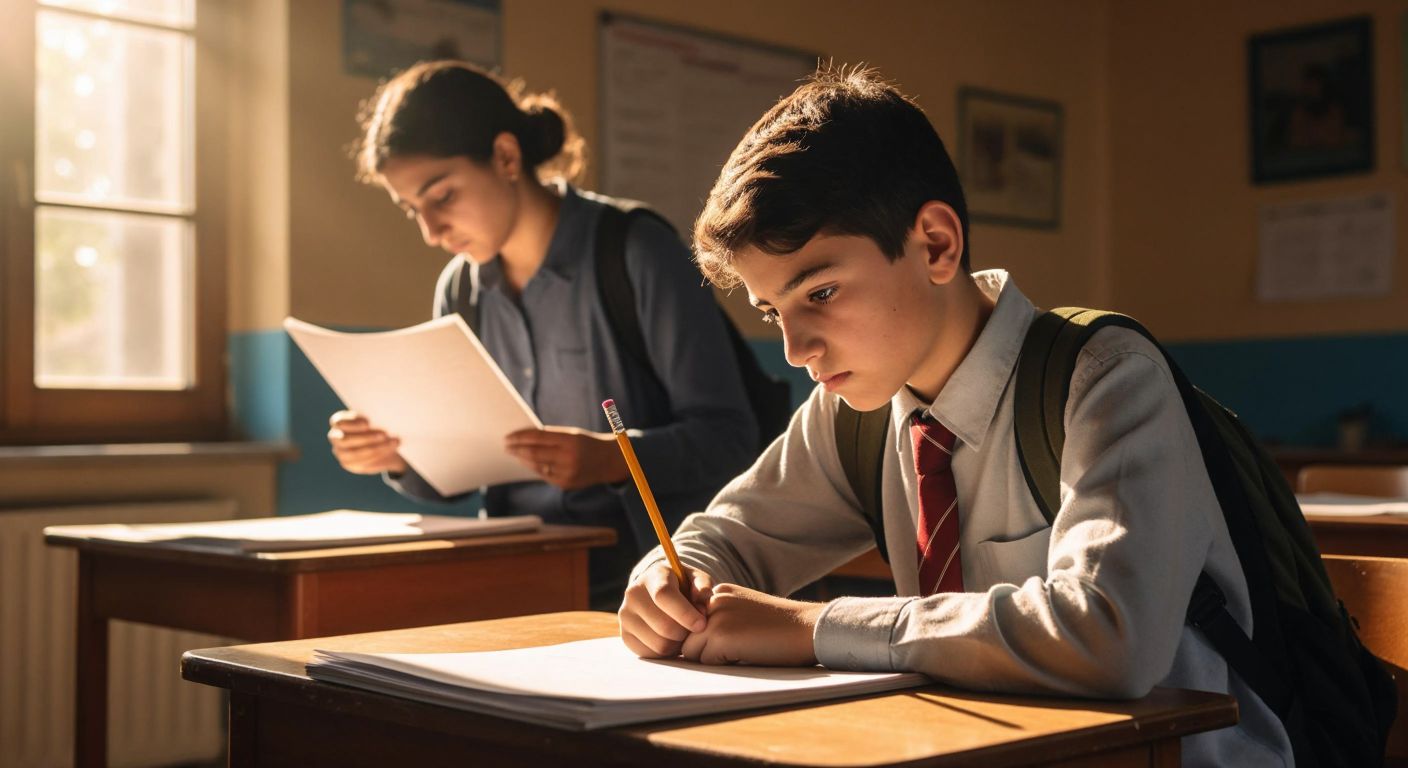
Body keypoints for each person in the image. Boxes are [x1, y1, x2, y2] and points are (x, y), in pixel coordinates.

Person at [618, 66, 1293, 765]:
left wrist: (815, 629)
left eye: (819, 291)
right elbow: (727, 538)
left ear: (936, 244)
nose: (795, 349)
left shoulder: (1106, 378)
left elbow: (1110, 638)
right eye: (771, 312)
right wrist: (667, 582)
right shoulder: (854, 411)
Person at [328, 60, 759, 608]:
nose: (431, 232)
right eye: (411, 209)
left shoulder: (635, 250)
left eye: (443, 197)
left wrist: (611, 458)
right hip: (517, 579)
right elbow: (461, 469)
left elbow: (732, 440)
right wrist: (394, 455)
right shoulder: (459, 290)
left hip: (656, 589)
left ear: (506, 157)